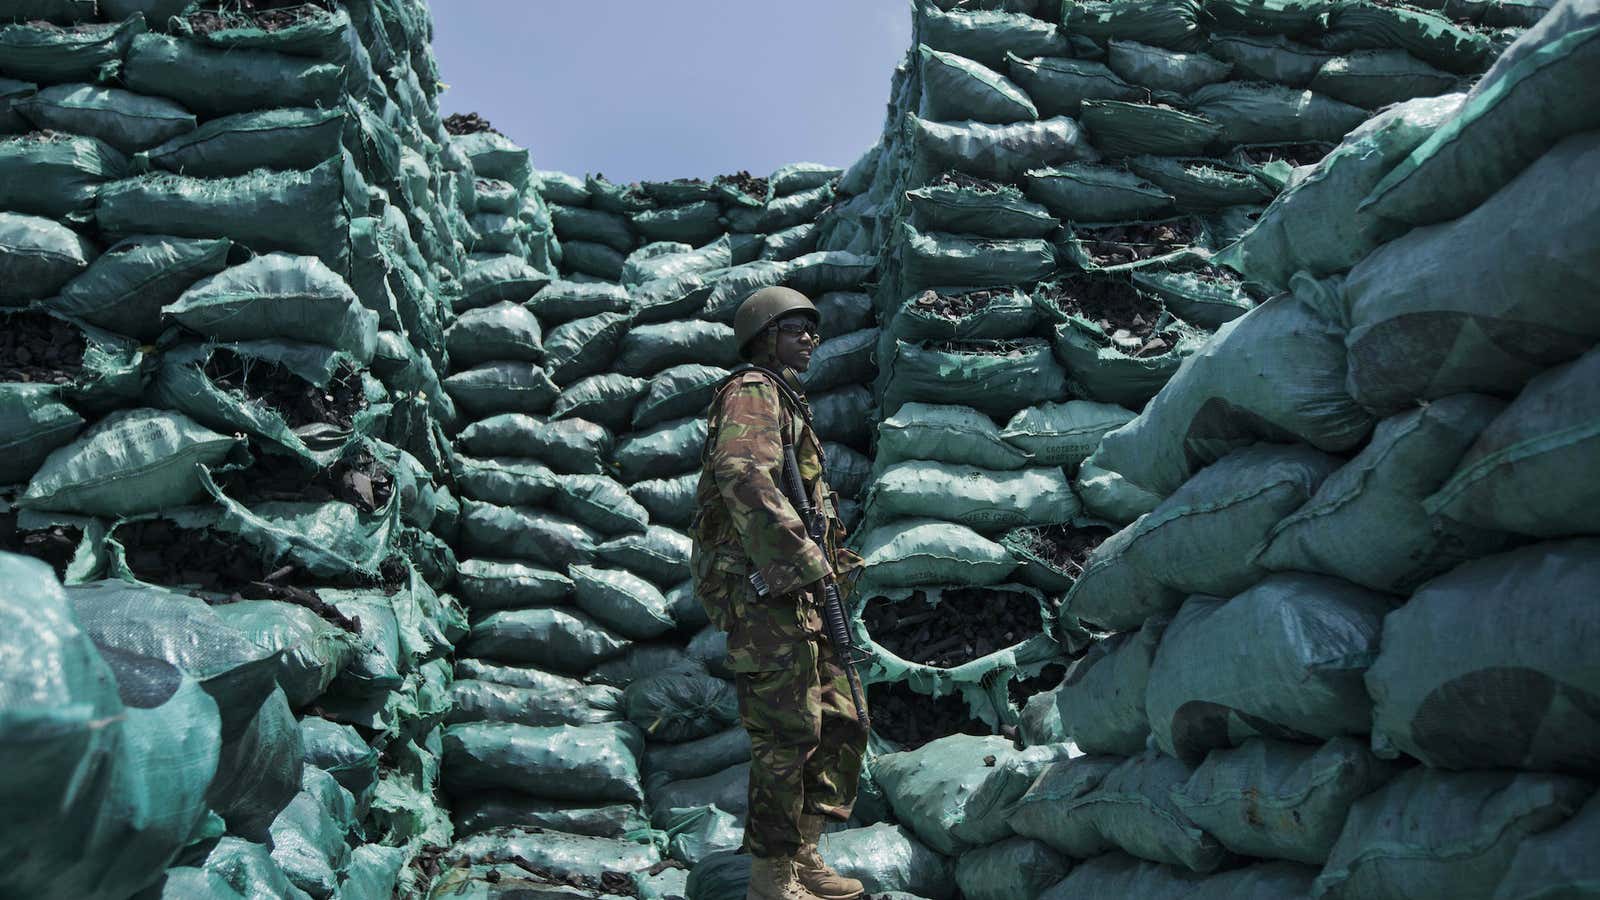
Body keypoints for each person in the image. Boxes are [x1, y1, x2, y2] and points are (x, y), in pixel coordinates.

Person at [690, 286, 869, 900]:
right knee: (787, 732)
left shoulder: (787, 401)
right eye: (796, 329)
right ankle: (770, 879)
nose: (810, 339)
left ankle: (805, 853)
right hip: (768, 594)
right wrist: (802, 560)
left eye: (812, 329)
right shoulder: (753, 392)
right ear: (764, 336)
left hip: (801, 592)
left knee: (842, 720)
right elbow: (741, 473)